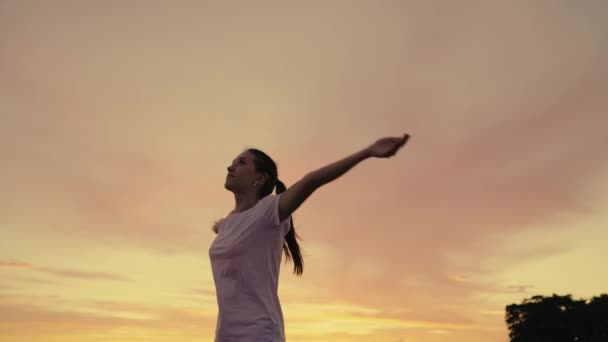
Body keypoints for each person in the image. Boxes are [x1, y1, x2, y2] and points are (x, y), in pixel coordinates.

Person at [209, 134, 410, 341]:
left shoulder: (269, 211)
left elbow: (311, 181)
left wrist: (367, 152)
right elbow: (228, 229)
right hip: (225, 334)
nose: (230, 168)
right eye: (233, 163)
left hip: (258, 333)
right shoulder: (230, 223)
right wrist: (219, 226)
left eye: (240, 163)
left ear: (260, 178)